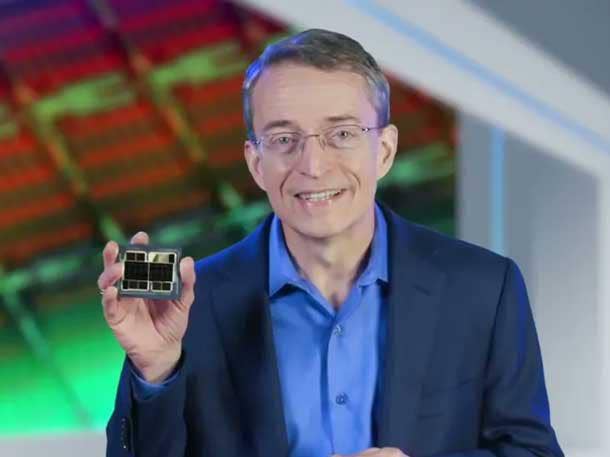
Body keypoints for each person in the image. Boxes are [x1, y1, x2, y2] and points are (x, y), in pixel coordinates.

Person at [99, 29, 564, 457]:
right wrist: (155, 372)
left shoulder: (483, 288)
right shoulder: (190, 307)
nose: (313, 165)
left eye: (341, 134)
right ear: (256, 163)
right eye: (284, 139)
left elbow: (532, 452)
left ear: (384, 150)